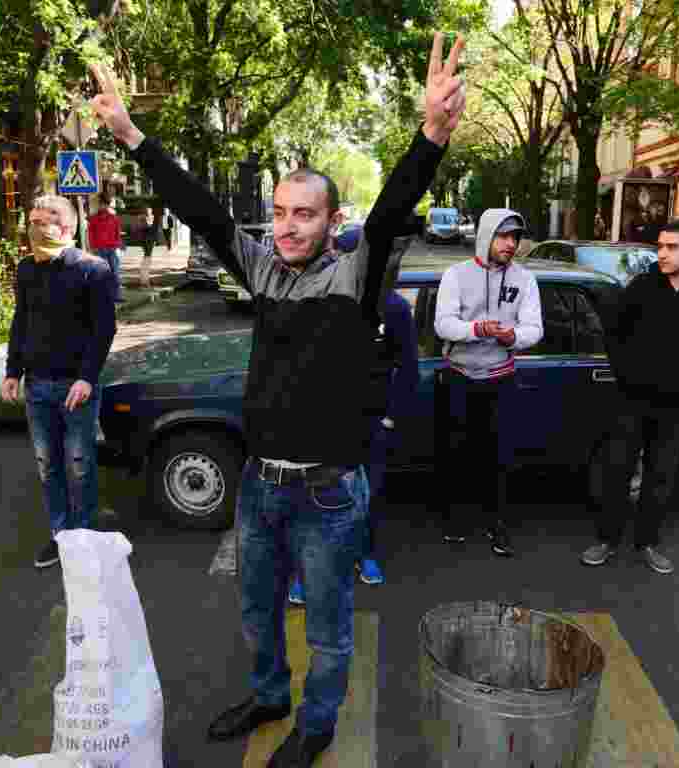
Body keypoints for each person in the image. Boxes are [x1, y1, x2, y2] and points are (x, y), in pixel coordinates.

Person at [88, 31, 466, 768]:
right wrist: (132, 135)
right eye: (281, 212)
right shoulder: (262, 268)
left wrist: (429, 137)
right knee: (257, 611)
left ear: (331, 223)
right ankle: (269, 695)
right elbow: (199, 210)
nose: (288, 226)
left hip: (329, 495)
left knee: (326, 628)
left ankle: (318, 724)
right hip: (260, 486)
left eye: (305, 214)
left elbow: (390, 214)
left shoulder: (355, 277)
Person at [582, 219, 679, 575]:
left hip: (675, 407)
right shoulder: (643, 286)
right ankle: (606, 539)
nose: (661, 253)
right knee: (617, 471)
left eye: (671, 247)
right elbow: (613, 334)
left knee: (660, 477)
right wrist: (626, 375)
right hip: (631, 401)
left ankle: (647, 542)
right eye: (660, 246)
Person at [288, 223, 419, 604]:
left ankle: (365, 554)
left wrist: (390, 417)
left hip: (372, 422)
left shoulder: (393, 307)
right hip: (324, 423)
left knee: (368, 496)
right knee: (315, 498)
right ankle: (305, 574)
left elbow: (408, 368)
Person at [1, 195, 117, 570]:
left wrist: (86, 378)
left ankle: (83, 537)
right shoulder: (27, 270)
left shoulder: (93, 269)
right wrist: (12, 371)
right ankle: (60, 536)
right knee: (47, 465)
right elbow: (21, 322)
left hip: (75, 388)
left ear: (67, 228)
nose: (34, 228)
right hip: (37, 386)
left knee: (79, 464)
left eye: (43, 222)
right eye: (31, 221)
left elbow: (104, 329)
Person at [432, 209, 544, 556]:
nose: (511, 244)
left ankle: (497, 524)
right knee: (455, 451)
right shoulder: (456, 275)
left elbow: (534, 329)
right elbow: (443, 325)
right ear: (486, 236)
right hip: (459, 377)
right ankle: (454, 520)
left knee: (499, 455)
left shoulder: (525, 279)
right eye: (504, 236)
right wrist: (477, 329)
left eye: (515, 238)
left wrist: (512, 337)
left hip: (500, 379)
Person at [87, 193, 124, 301]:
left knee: (115, 273)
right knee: (100, 274)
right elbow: (91, 234)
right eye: (101, 204)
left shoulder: (114, 218)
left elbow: (118, 233)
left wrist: (117, 245)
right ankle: (103, 296)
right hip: (99, 250)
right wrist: (93, 247)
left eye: (104, 204)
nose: (102, 206)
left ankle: (116, 296)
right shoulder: (94, 219)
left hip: (112, 249)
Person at [139, 206, 162, 288]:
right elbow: (144, 230)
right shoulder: (143, 219)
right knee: (147, 259)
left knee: (148, 260)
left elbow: (153, 230)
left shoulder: (149, 219)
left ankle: (145, 279)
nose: (150, 213)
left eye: (150, 211)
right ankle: (144, 280)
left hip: (149, 241)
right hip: (146, 242)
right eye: (148, 211)